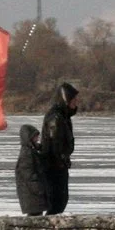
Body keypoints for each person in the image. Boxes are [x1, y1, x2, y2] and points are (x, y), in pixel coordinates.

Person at [40, 83, 80, 213]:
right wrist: (61, 159)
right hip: (54, 166)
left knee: (61, 200)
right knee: (57, 201)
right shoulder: (56, 118)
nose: (76, 102)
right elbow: (55, 144)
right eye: (73, 99)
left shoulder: (63, 116)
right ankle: (48, 227)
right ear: (66, 99)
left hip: (58, 165)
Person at [13, 125, 52, 216]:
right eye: (35, 136)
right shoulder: (27, 153)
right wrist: (39, 189)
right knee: (35, 217)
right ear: (29, 137)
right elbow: (28, 175)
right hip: (31, 194)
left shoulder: (32, 151)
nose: (37, 138)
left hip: (33, 194)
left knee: (37, 215)